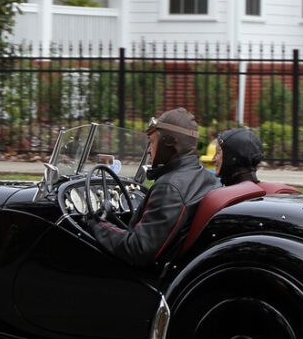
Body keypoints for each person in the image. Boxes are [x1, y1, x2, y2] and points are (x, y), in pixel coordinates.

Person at [84, 108, 220, 267]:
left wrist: (97, 225)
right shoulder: (206, 178)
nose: (149, 150)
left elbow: (139, 249)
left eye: (153, 142)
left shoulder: (169, 187)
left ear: (167, 143)